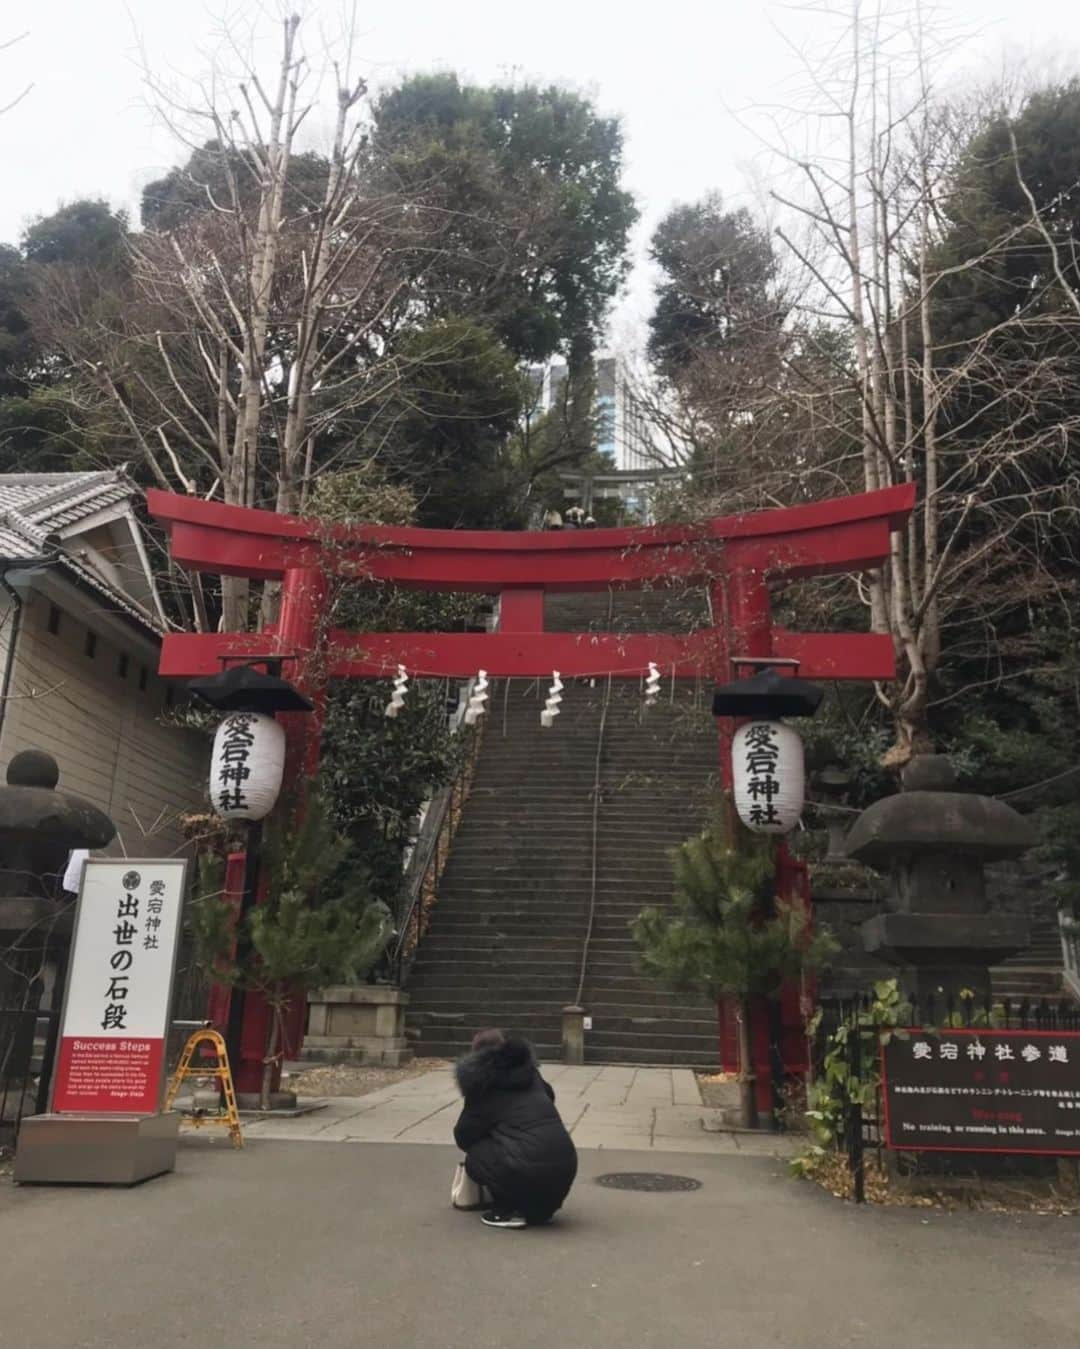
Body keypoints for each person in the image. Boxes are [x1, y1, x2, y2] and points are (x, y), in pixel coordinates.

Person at [453, 1028, 578, 1230]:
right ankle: (537, 1209)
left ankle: (507, 1210)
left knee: (475, 1154)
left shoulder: (484, 1083)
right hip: (565, 1168)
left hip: (527, 1172)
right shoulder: (532, 1075)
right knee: (523, 1148)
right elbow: (550, 1096)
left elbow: (463, 1136)